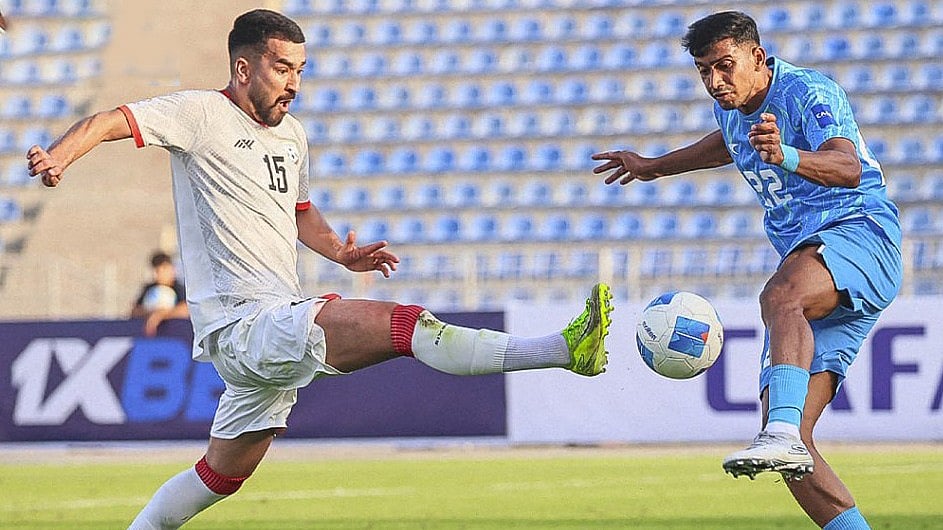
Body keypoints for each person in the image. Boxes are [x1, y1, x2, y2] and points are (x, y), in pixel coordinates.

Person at [26, 9, 614, 529]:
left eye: (301, 70)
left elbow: (300, 210)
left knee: (219, 477)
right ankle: (563, 349)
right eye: (282, 68)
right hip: (244, 324)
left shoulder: (292, 135)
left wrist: (340, 252)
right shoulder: (200, 114)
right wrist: (60, 157)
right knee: (405, 324)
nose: (295, 84)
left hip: (269, 325)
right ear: (243, 68)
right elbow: (110, 119)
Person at [592, 11, 900, 530]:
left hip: (860, 231)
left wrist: (788, 156)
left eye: (724, 66)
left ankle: (779, 431)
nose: (715, 82)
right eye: (703, 71)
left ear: (757, 57)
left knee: (780, 298)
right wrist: (652, 166)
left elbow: (848, 168)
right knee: (792, 449)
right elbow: (725, 144)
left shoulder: (807, 92)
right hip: (813, 261)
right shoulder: (733, 110)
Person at [131, 250, 189, 336]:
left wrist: (161, 315)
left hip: (176, 335)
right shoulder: (149, 289)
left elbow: (187, 309)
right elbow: (135, 310)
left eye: (164, 269)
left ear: (172, 269)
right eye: (157, 270)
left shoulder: (179, 288)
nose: (160, 274)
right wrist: (150, 313)